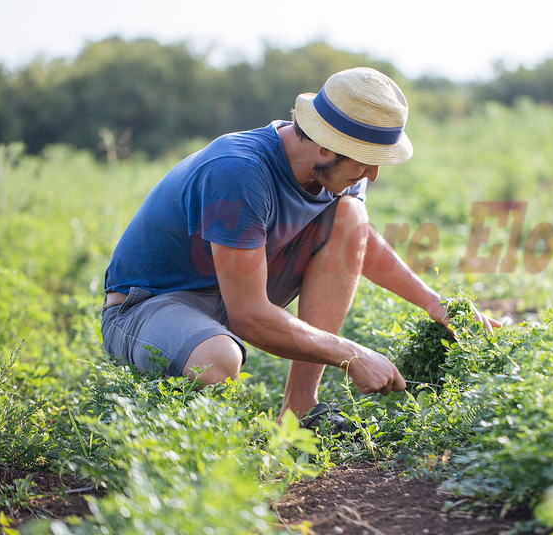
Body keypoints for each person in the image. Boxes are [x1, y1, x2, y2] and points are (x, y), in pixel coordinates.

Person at [101, 66, 500, 429]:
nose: (374, 174)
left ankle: (300, 410)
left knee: (351, 218)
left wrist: (434, 302)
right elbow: (249, 316)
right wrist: (352, 354)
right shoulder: (237, 170)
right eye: (367, 161)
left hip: (232, 288)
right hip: (148, 304)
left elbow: (357, 244)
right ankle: (179, 431)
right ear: (325, 147)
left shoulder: (337, 169)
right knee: (218, 360)